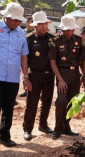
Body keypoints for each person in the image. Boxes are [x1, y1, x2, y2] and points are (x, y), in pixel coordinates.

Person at [0, 2, 31, 147]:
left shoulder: (21, 33)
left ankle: (4, 136)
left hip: (12, 78)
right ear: (6, 16)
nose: (18, 22)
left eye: (19, 20)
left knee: (8, 109)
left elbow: (24, 56)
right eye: (15, 19)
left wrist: (25, 76)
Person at [48, 15, 82, 140]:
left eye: (71, 29)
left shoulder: (79, 40)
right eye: (67, 29)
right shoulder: (55, 42)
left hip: (75, 75)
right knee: (61, 101)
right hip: (62, 74)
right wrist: (60, 80)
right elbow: (52, 62)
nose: (69, 32)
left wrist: (83, 75)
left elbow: (82, 60)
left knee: (72, 102)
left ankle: (66, 127)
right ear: (62, 29)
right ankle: (57, 129)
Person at [23, 11, 55, 141]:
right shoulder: (29, 39)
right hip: (34, 75)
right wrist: (25, 77)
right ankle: (27, 129)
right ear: (35, 25)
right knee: (31, 103)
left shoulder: (53, 39)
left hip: (49, 76)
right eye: (40, 24)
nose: (43, 26)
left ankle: (43, 125)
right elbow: (24, 59)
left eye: (45, 23)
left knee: (47, 102)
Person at [19, 16, 35, 98]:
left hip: (32, 56)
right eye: (31, 21)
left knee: (31, 73)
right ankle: (25, 90)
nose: (32, 23)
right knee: (24, 72)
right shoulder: (22, 32)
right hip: (24, 55)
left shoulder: (36, 32)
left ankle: (33, 90)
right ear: (27, 23)